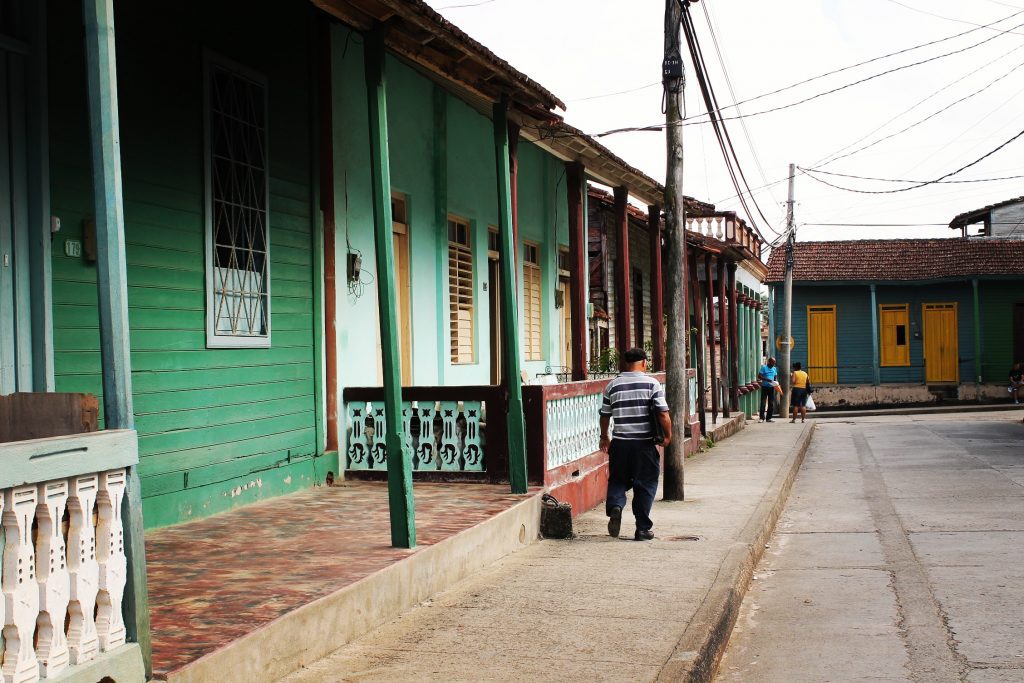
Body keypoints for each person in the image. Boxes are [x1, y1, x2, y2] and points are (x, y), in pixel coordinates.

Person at [599, 348, 672, 541]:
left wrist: (604, 437)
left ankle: (615, 505)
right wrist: (668, 436)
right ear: (644, 363)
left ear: (625, 363)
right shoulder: (651, 384)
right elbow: (663, 413)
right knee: (645, 484)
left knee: (617, 480)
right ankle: (642, 529)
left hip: (620, 444)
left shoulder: (612, 386)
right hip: (644, 445)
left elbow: (605, 415)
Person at [758, 357, 779, 422]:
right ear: (769, 362)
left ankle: (768, 418)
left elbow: (775, 377)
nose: (773, 364)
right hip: (765, 387)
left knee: (771, 403)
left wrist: (776, 383)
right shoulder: (764, 368)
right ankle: (761, 418)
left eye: (774, 363)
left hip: (771, 388)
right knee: (763, 403)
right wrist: (767, 379)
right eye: (772, 362)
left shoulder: (774, 368)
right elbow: (759, 376)